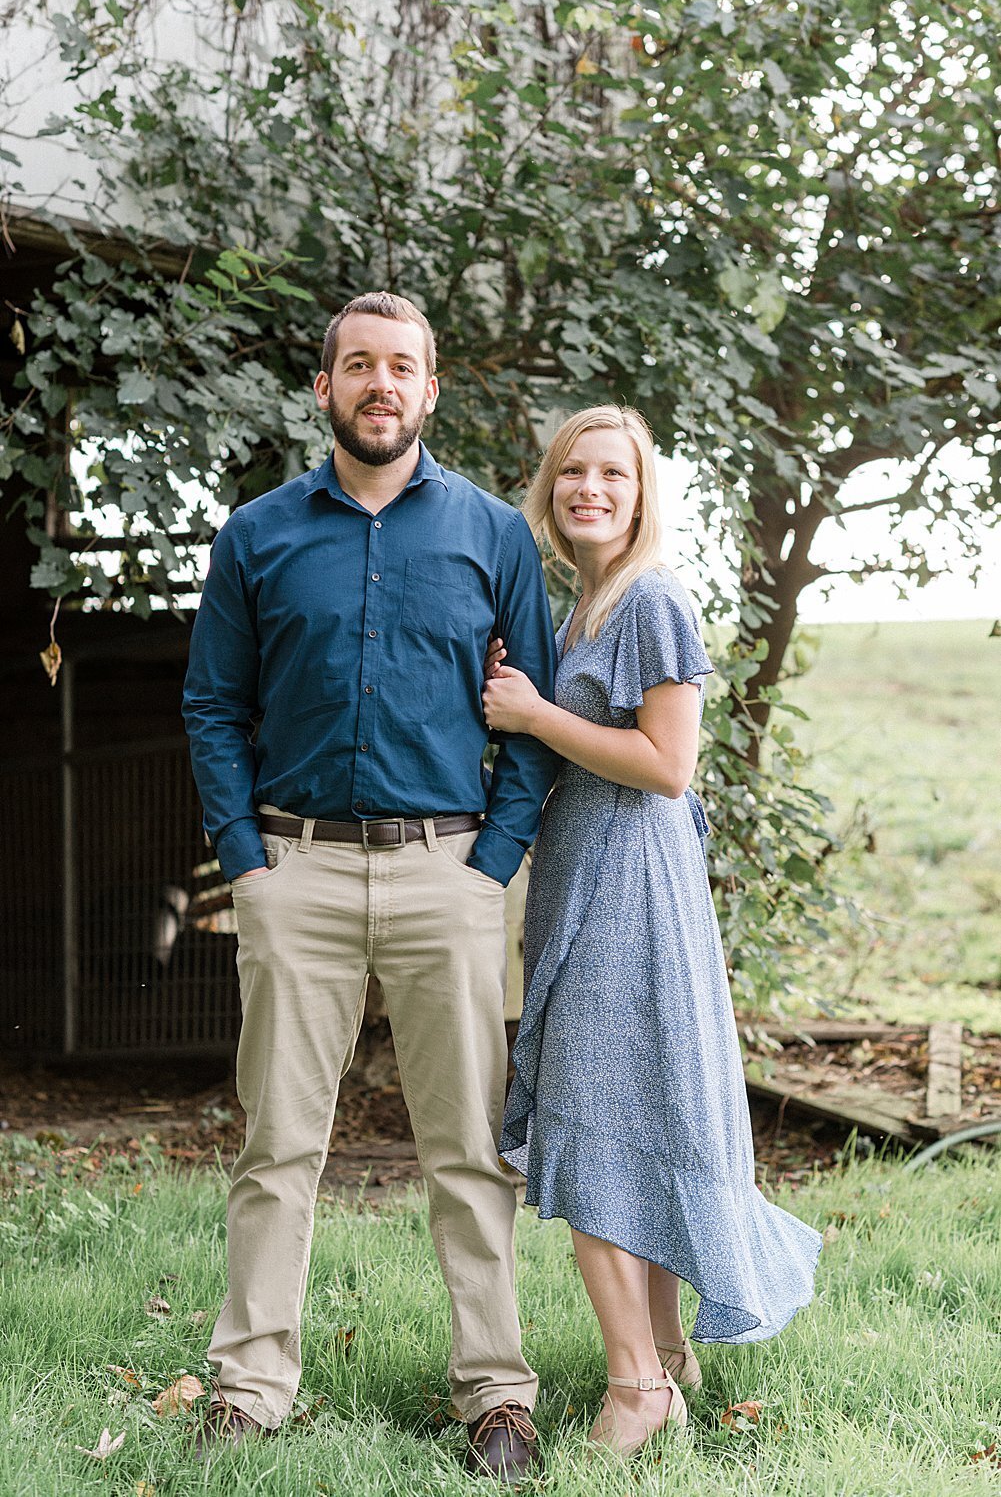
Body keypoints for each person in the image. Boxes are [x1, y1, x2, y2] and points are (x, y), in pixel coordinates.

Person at [182, 292, 558, 1481]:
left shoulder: (493, 534)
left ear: (430, 390)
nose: (378, 384)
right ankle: (248, 1386)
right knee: (278, 1146)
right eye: (357, 365)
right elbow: (211, 706)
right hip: (295, 872)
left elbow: (535, 714)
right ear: (324, 389)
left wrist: (490, 863)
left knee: (466, 1151)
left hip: (448, 873)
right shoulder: (256, 535)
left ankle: (496, 1395)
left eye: (401, 366)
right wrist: (248, 863)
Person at [482, 405, 822, 1459]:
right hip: (591, 878)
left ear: (640, 494)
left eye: (612, 476)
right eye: (572, 472)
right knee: (635, 1114)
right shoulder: (585, 607)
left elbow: (667, 767)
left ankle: (634, 1388)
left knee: (589, 1126)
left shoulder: (652, 602)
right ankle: (662, 1358)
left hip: (629, 888)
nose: (590, 488)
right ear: (549, 488)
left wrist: (535, 716)